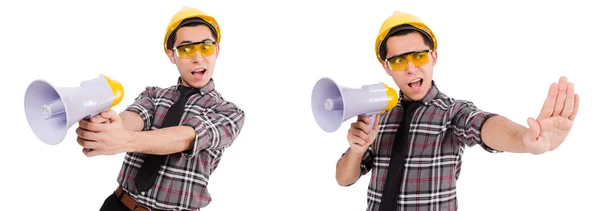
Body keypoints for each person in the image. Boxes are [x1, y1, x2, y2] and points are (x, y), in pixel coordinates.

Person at [335, 11, 579, 211]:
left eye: (419, 56)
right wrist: (357, 150)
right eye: (399, 61)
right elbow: (343, 178)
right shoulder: (379, 116)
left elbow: (485, 126)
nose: (410, 68)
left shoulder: (452, 112)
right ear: (386, 68)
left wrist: (526, 139)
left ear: (434, 57)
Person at [75, 7, 245, 211]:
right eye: (186, 49)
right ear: (171, 55)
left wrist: (124, 140)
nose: (198, 58)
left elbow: (187, 137)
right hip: (118, 205)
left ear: (217, 50)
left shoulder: (229, 113)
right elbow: (132, 118)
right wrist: (110, 126)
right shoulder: (154, 95)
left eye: (206, 47)